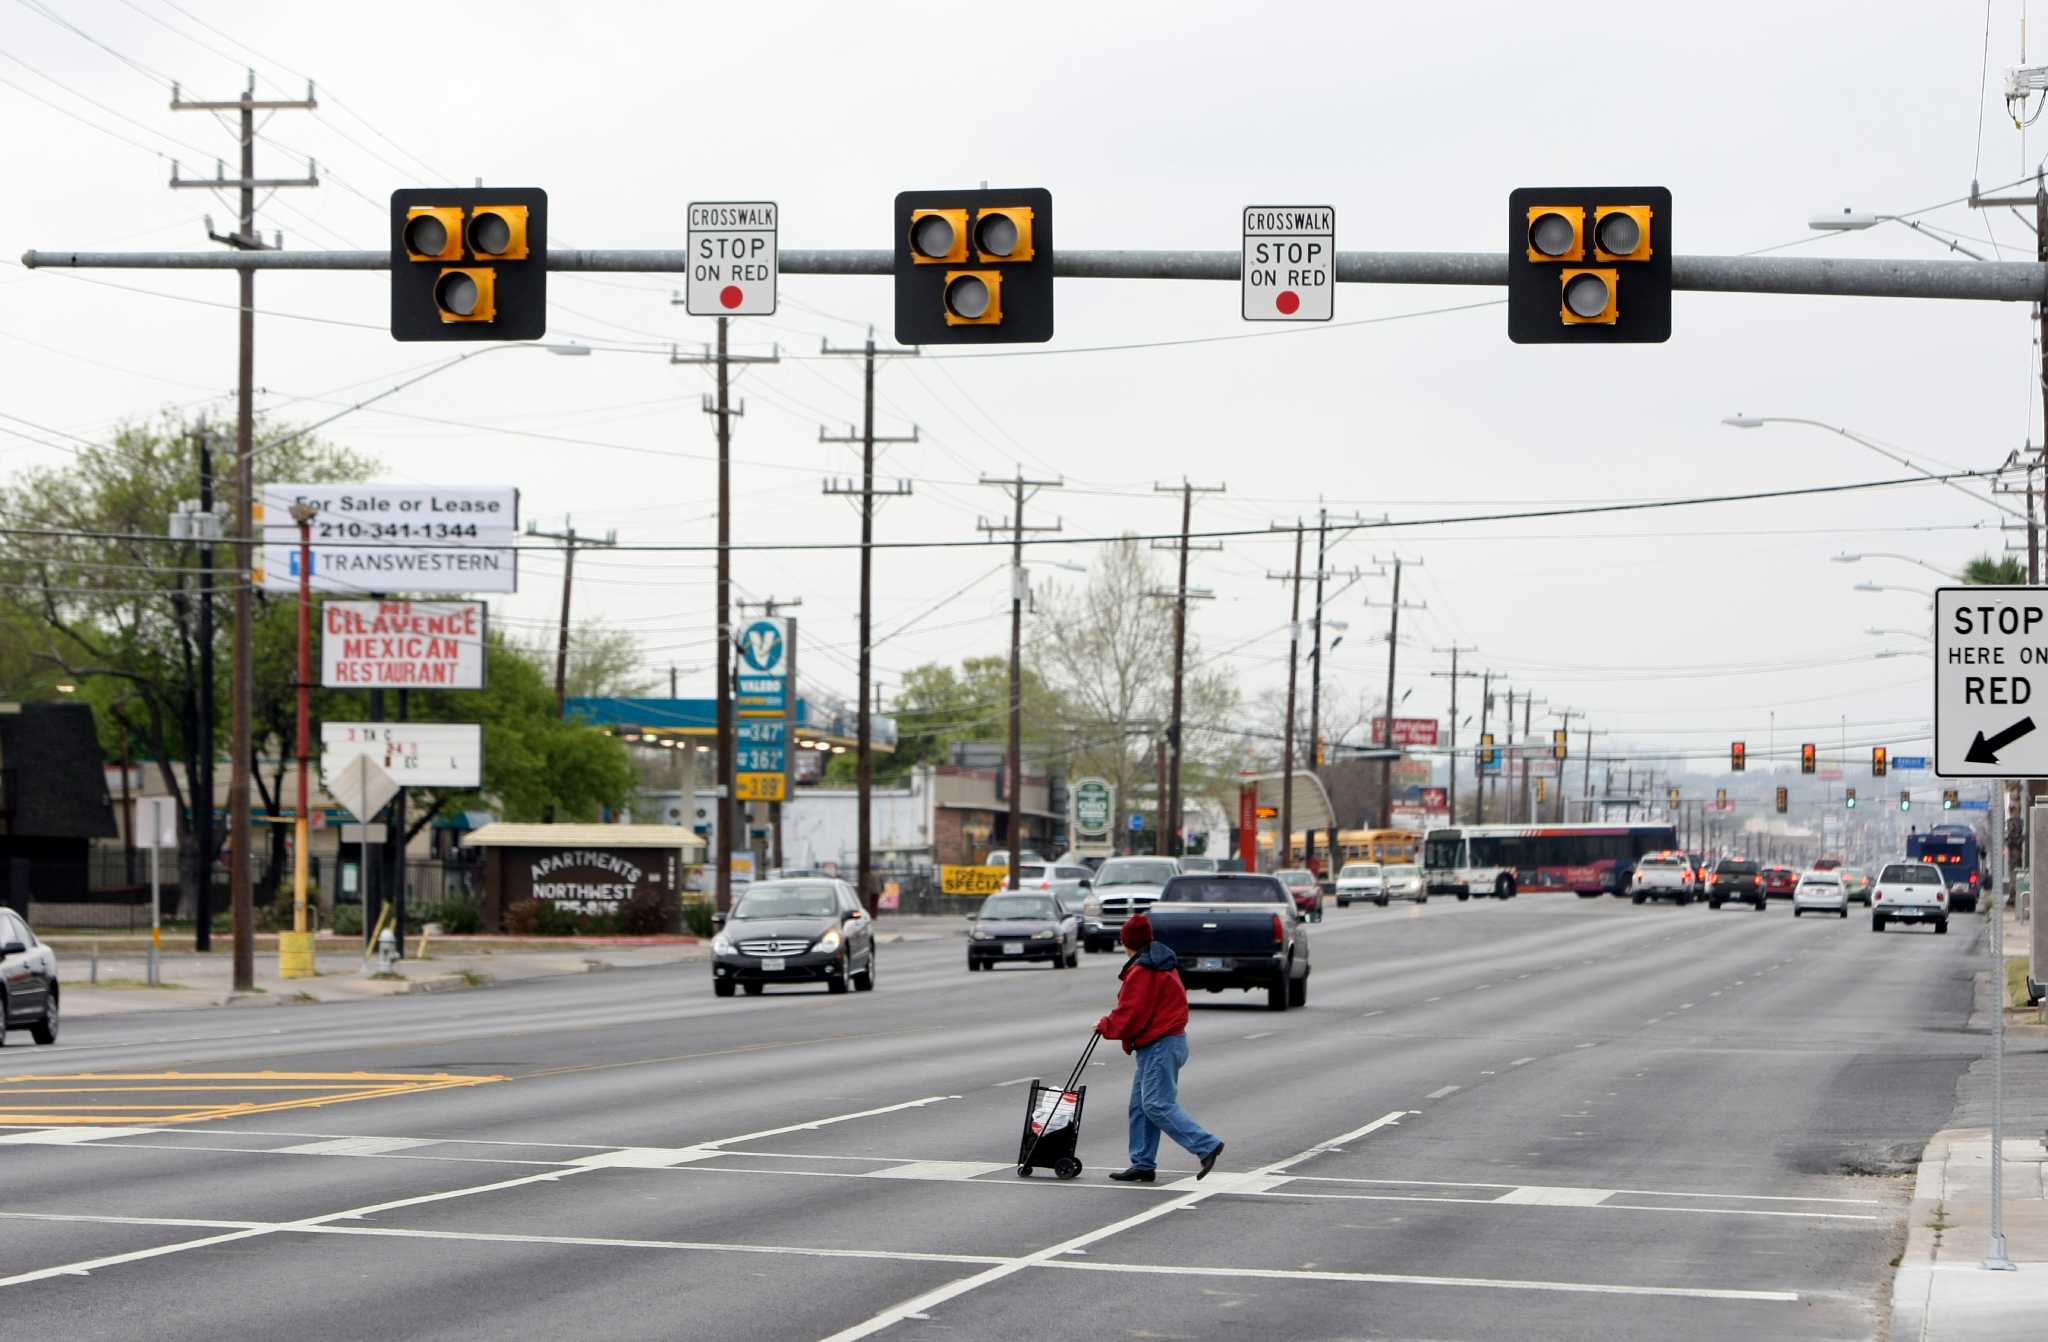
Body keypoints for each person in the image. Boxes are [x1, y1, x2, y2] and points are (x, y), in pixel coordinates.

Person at [1094, 912, 1224, 1183]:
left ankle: (1205, 1145)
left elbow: (1131, 1012)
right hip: (1164, 1042)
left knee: (1155, 1104)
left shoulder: (1144, 970)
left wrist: (1106, 1025)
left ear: (1127, 942)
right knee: (1140, 1106)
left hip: (1160, 1045)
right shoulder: (1160, 963)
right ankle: (1143, 1163)